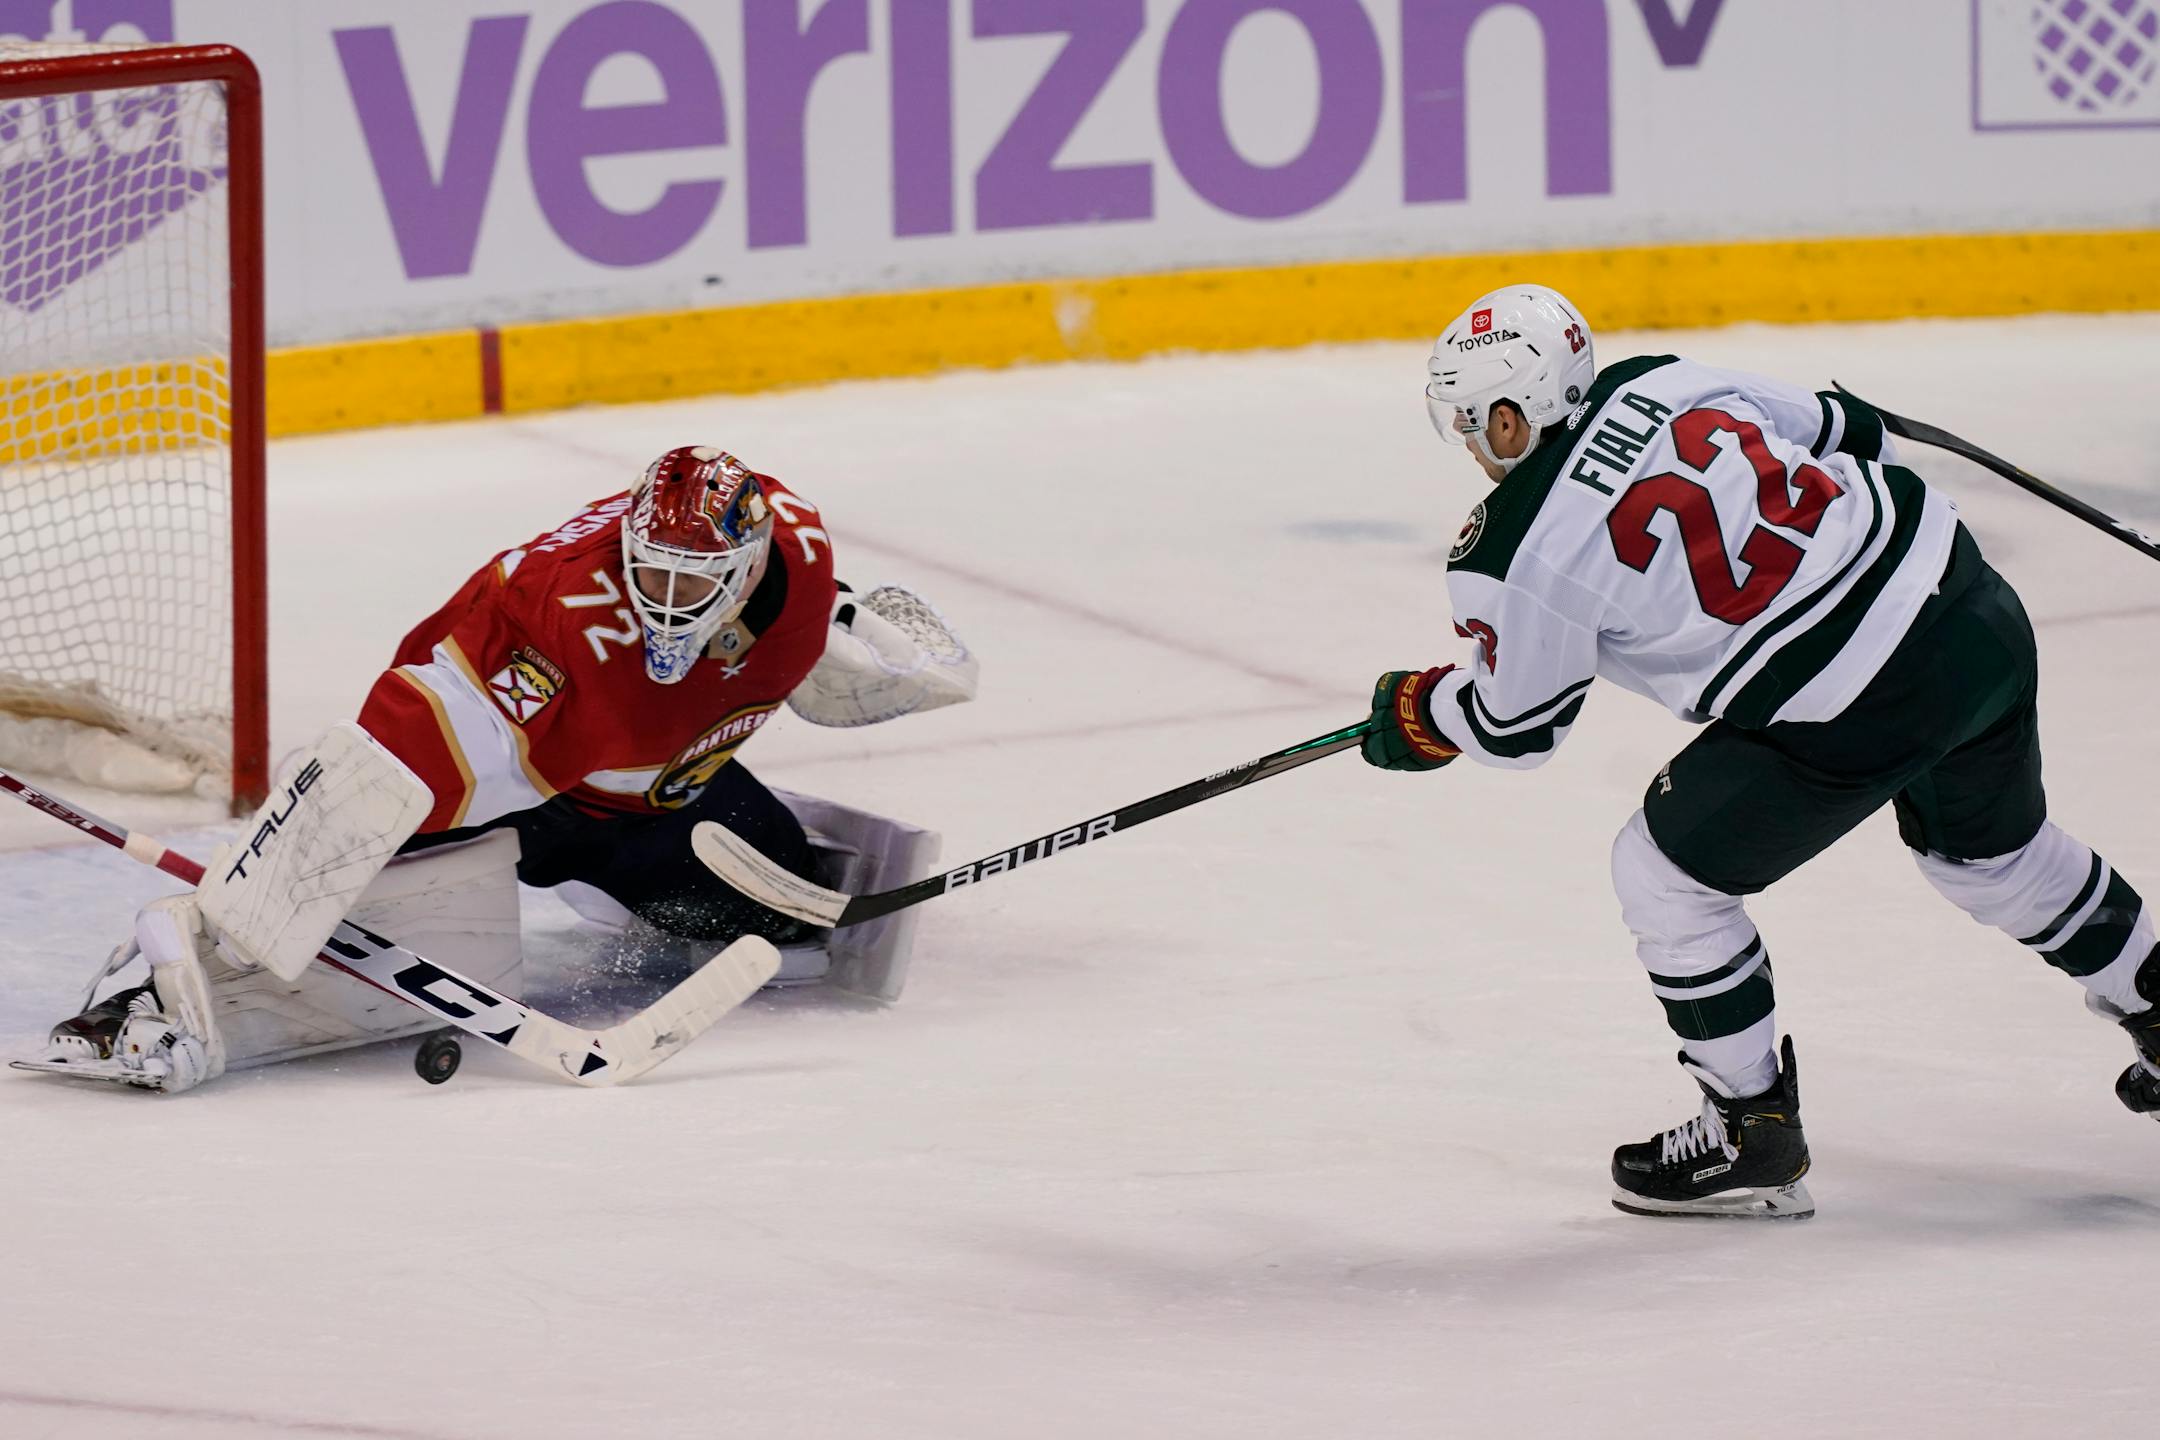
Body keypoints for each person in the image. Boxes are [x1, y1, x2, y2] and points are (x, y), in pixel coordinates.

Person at [1361, 284, 2157, 1219]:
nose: (1468, 444)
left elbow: (1515, 726)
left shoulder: (1513, 554)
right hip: (1969, 607)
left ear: (1512, 415)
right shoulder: (1663, 381)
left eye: (1471, 421)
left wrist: (1422, 714)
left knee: (1664, 877)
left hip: (1855, 703)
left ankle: (1751, 1126)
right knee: (1992, 858)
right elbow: (1848, 429)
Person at [25, 446, 975, 1091]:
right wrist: (280, 879)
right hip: (542, 798)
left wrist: (854, 646)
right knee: (403, 830)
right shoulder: (561, 625)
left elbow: (800, 626)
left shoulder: (798, 553)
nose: (666, 602)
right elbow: (406, 746)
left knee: (776, 925)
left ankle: (640, 872)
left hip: (655, 797)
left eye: (695, 583)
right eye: (651, 573)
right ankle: (155, 988)